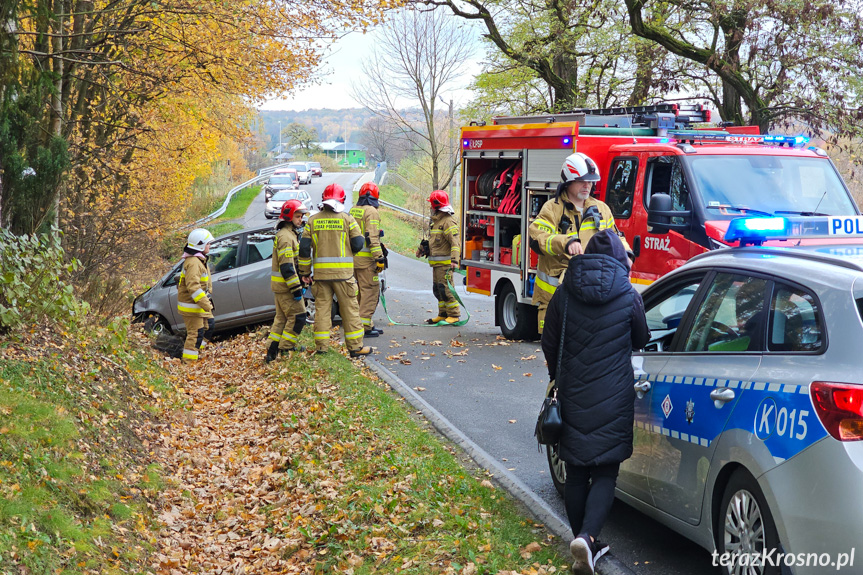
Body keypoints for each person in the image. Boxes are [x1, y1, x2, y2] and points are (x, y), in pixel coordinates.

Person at [541, 229, 649, 575]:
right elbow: (642, 338)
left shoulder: (564, 294)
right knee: (605, 471)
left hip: (572, 393)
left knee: (576, 469)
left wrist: (558, 375)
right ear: (619, 259)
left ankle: (582, 540)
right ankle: (588, 538)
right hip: (614, 396)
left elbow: (549, 341)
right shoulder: (628, 295)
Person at [528, 152, 632, 334]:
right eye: (582, 181)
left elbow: (616, 238)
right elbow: (537, 237)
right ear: (568, 181)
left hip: (591, 294)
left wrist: (627, 256)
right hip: (556, 298)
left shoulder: (601, 209)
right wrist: (566, 243)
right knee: (557, 355)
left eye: (591, 182)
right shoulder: (552, 209)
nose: (588, 186)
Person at [298, 183, 373, 357]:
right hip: (344, 276)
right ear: (342, 200)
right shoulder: (347, 219)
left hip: (321, 277)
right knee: (350, 311)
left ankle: (322, 348)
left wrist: (304, 273)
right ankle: (355, 348)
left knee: (322, 311)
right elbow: (358, 244)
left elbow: (304, 250)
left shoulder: (312, 221)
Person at [265, 199, 309, 362]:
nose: (301, 219)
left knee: (282, 319)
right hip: (286, 288)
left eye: (302, 216)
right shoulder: (285, 237)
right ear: (289, 217)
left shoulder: (289, 234)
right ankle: (286, 347)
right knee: (299, 317)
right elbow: (287, 267)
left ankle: (272, 351)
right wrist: (296, 289)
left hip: (282, 287)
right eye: (298, 216)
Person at [416, 190, 460, 324]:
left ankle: (454, 315)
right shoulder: (436, 221)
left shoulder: (448, 222)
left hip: (445, 264)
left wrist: (454, 260)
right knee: (438, 289)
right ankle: (443, 314)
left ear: (436, 205)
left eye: (431, 204)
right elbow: (433, 241)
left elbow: (455, 243)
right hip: (436, 265)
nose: (430, 207)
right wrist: (422, 249)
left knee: (446, 289)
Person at [349, 181, 386, 338]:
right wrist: (379, 258)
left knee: (358, 294)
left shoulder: (353, 210)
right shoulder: (371, 212)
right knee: (370, 291)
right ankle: (365, 326)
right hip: (367, 262)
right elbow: (372, 236)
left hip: (353, 260)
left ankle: (357, 325)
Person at [177, 228, 216, 363]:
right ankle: (188, 364)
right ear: (200, 245)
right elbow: (193, 287)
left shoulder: (199, 260)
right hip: (192, 307)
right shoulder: (194, 262)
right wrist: (206, 304)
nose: (209, 246)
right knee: (195, 334)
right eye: (208, 243)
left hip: (198, 306)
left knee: (209, 326)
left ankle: (198, 353)